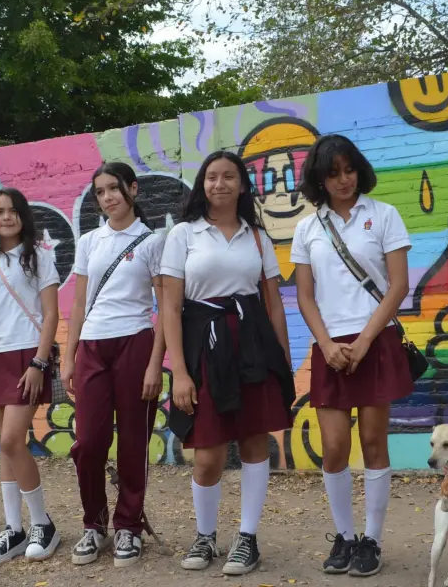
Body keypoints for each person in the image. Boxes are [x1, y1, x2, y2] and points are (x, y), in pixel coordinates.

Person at [160, 150, 295, 576]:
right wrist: (178, 371)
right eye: (212, 177)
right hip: (203, 344)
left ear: (241, 184)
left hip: (253, 342)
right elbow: (170, 306)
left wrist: (284, 358)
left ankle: (248, 539)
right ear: (202, 184)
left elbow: (273, 302)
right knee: (208, 453)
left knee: (256, 442)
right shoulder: (183, 234)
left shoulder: (257, 236)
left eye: (229, 177)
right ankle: (205, 535)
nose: (219, 184)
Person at [289, 134, 412, 576]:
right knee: (336, 446)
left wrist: (363, 342)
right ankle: (344, 537)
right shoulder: (308, 228)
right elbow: (305, 296)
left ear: (359, 170)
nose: (343, 180)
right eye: (333, 172)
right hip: (330, 345)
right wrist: (326, 344)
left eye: (349, 169)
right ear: (319, 179)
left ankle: (372, 542)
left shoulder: (383, 216)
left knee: (374, 442)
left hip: (373, 342)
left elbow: (398, 285)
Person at [63, 162, 166, 567]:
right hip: (92, 346)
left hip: (136, 343)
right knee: (88, 443)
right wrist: (68, 357)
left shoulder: (153, 242)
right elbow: (78, 301)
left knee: (133, 441)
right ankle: (94, 523)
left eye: (114, 189)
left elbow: (164, 308)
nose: (107, 197)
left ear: (133, 190)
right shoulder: (89, 241)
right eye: (100, 192)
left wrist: (156, 363)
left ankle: (128, 526)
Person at [0, 188, 62, 563]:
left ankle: (43, 524)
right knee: (4, 447)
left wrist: (39, 363)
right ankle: (14, 528)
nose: (6, 217)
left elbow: (51, 315)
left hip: (27, 356)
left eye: (12, 211)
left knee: (11, 441)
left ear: (23, 216)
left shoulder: (39, 256)